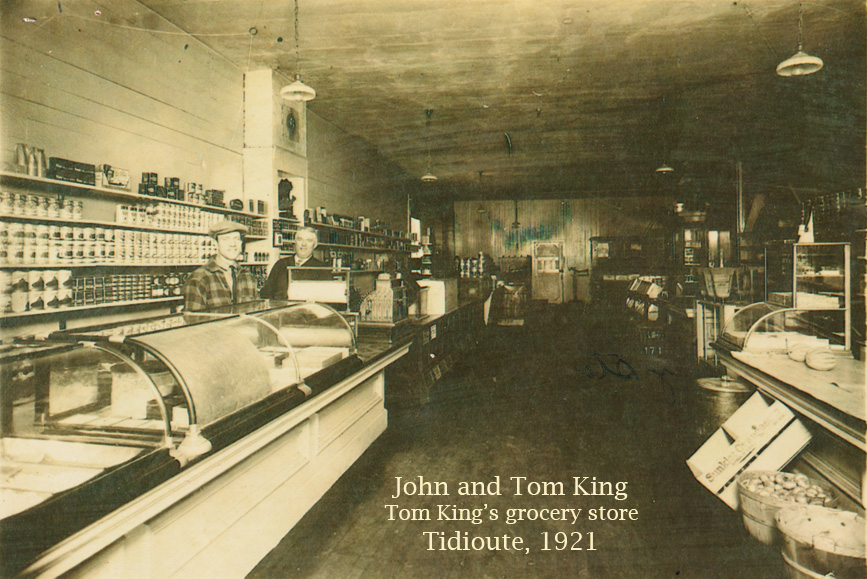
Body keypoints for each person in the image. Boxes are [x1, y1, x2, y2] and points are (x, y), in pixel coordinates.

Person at [183, 220, 258, 312]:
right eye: (226, 239)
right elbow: (193, 322)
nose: (232, 244)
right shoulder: (199, 278)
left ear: (241, 243)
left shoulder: (248, 277)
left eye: (236, 239)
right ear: (215, 244)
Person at [260, 226, 329, 300]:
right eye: (300, 239)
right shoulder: (281, 264)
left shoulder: (322, 270)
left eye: (309, 240)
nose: (303, 244)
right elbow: (266, 293)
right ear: (295, 242)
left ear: (314, 245)